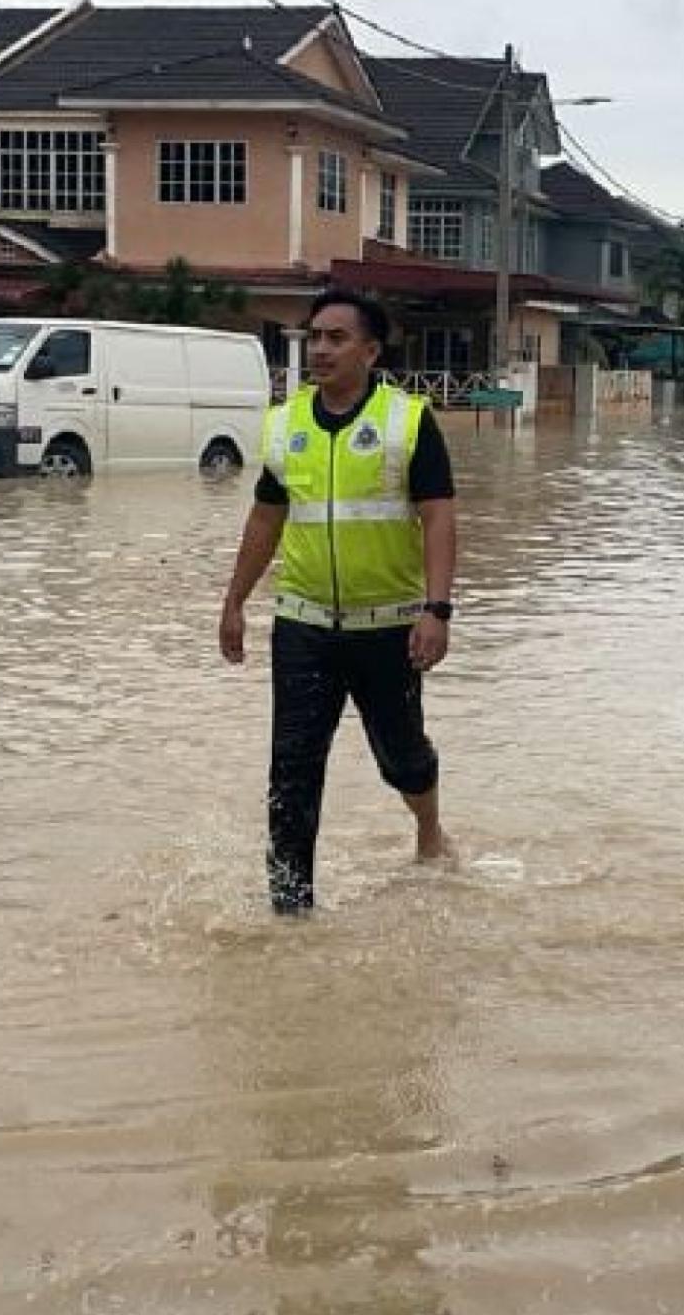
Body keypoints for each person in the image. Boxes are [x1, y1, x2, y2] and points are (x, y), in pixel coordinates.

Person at [218, 289, 457, 914]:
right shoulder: (285, 423)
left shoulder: (408, 421)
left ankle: (429, 831)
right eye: (313, 337)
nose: (320, 349)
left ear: (371, 351)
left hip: (390, 627)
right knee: (291, 772)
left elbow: (438, 517)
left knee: (402, 758)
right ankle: (289, 911)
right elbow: (266, 521)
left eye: (336, 338)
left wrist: (437, 610)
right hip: (303, 626)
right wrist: (234, 601)